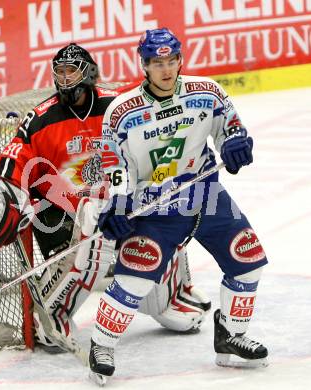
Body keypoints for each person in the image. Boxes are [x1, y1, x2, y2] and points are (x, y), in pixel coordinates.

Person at [0, 43, 211, 353]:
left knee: (165, 218)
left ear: (89, 73)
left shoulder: (117, 106)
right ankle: (52, 316)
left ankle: (172, 295)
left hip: (116, 207)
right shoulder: (41, 117)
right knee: (89, 235)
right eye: (61, 72)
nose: (66, 78)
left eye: (73, 71)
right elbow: (15, 152)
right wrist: (8, 187)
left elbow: (158, 124)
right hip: (61, 217)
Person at [88, 28, 268, 385]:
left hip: (204, 195)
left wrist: (235, 143)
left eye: (172, 61)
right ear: (144, 65)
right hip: (153, 206)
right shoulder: (122, 112)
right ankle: (101, 345)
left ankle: (230, 337)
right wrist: (118, 203)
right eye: (157, 63)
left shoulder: (207, 92)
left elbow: (230, 126)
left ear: (180, 60)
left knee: (247, 260)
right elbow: (114, 163)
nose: (166, 69)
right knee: (134, 280)